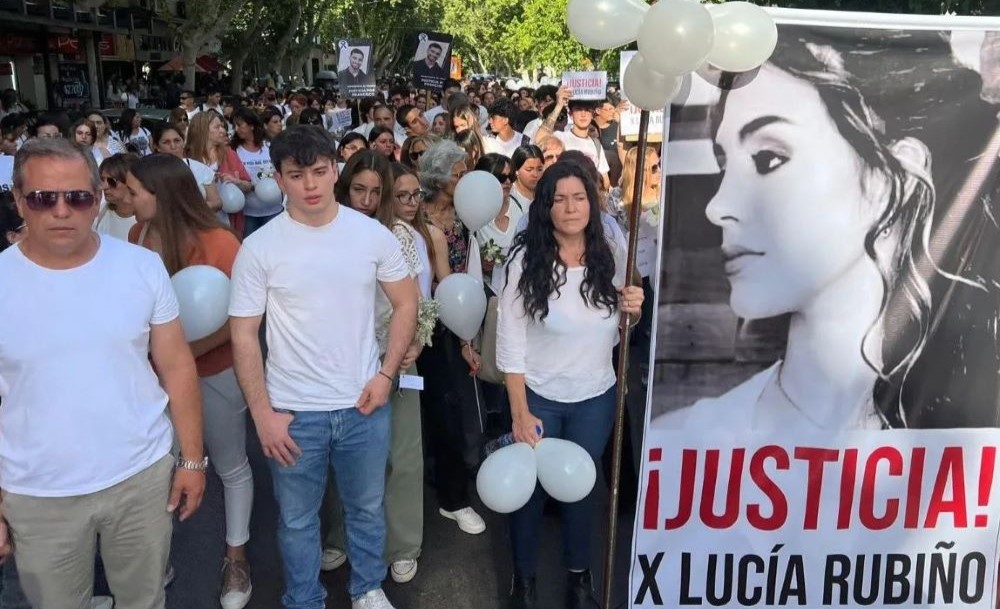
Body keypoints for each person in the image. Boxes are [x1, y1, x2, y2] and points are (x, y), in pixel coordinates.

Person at [652, 31, 1000, 431]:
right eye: (723, 163)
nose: (717, 207)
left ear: (893, 180)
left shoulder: (973, 435)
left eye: (768, 158)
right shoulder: (684, 442)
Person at [0, 137, 205, 609]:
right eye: (43, 198)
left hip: (140, 477)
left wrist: (192, 460)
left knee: (145, 600)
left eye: (77, 197)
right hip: (37, 492)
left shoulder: (141, 267)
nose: (62, 211)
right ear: (18, 200)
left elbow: (176, 365)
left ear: (97, 198)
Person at [228, 126, 418, 609]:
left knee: (367, 508)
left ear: (335, 169)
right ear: (279, 178)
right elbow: (243, 334)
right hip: (293, 411)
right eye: (297, 175)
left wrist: (385, 374)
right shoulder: (260, 247)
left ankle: (368, 587)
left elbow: (406, 304)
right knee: (296, 519)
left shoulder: (371, 235)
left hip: (363, 402)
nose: (310, 184)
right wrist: (263, 414)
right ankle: (304, 598)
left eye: (319, 171)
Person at [497, 160, 643, 609]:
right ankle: (524, 579)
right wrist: (520, 411)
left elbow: (622, 327)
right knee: (531, 492)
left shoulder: (612, 256)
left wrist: (633, 310)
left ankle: (580, 576)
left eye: (578, 197)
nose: (570, 206)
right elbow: (510, 340)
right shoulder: (525, 261)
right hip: (538, 394)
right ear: (546, 207)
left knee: (581, 488)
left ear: (591, 203)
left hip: (595, 396)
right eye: (559, 199)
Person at [126, 153, 255, 609]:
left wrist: (182, 356)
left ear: (160, 193)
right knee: (160, 471)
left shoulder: (222, 243)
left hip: (216, 374)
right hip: (154, 380)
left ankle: (236, 556)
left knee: (230, 464)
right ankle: (157, 561)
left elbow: (243, 318)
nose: (123, 196)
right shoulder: (137, 235)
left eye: (133, 190)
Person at [321, 153, 429, 585]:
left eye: (375, 191)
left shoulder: (399, 235)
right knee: (343, 454)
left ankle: (402, 544)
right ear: (344, 188)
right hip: (341, 361)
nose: (365, 200)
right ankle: (341, 536)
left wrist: (417, 339)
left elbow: (420, 299)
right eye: (357, 189)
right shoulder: (324, 234)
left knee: (401, 456)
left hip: (395, 356)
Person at [416, 140, 487, 535]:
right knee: (420, 412)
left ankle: (454, 497)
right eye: (458, 175)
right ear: (438, 178)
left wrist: (468, 333)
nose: (464, 180)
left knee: (452, 410)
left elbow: (470, 270)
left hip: (452, 325)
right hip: (414, 325)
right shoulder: (411, 213)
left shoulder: (465, 214)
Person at [533, 93, 610, 190]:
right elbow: (539, 139)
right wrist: (559, 105)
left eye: (587, 110)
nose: (583, 114)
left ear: (592, 115)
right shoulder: (560, 137)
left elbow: (605, 180)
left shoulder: (596, 144)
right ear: (571, 114)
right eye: (578, 109)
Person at [232, 108, 281, 237]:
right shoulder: (234, 151)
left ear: (252, 125)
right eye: (234, 126)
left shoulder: (270, 146)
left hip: (274, 210)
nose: (236, 129)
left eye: (239, 125)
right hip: (249, 213)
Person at [94, 152, 138, 241]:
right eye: (102, 179)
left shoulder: (146, 221)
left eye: (112, 181)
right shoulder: (100, 212)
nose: (104, 186)